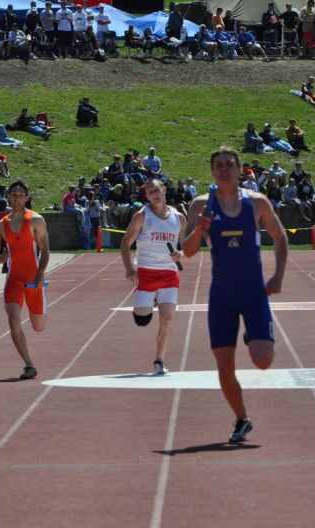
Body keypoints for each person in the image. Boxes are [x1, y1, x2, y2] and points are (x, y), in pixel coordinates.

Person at [183, 147, 288, 443]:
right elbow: (187, 252)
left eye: (230, 164)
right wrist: (199, 230)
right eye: (219, 165)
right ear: (212, 171)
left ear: (239, 169)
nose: (224, 169)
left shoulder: (256, 203)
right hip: (222, 296)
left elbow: (280, 237)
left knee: (263, 361)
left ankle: (253, 334)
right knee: (224, 366)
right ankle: (242, 419)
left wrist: (278, 276)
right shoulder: (201, 205)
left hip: (253, 292)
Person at [120, 178, 187, 375]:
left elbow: (188, 246)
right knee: (142, 320)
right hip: (146, 273)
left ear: (164, 189)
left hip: (169, 274)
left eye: (156, 190)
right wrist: (129, 269)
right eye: (149, 192)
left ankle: (159, 361)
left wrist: (181, 254)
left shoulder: (179, 218)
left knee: (167, 320)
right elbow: (125, 243)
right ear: (146, 196)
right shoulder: (142, 216)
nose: (154, 195)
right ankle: (150, 301)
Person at [0, 181, 50, 380]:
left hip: (33, 279)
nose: (16, 197)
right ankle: (29, 365)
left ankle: (39, 313)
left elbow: (45, 249)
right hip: (13, 279)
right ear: (8, 196)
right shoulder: (0, 225)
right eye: (13, 194)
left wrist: (40, 272)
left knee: (38, 326)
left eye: (20, 194)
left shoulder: (36, 220)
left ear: (27, 198)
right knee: (13, 319)